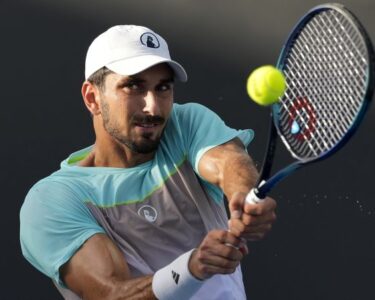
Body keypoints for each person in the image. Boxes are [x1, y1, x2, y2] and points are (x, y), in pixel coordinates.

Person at [20, 25, 277, 300]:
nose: (153, 107)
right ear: (92, 98)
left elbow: (229, 162)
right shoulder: (53, 200)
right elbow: (108, 294)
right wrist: (190, 269)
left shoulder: (185, 124)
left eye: (162, 88)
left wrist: (243, 196)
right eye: (133, 86)